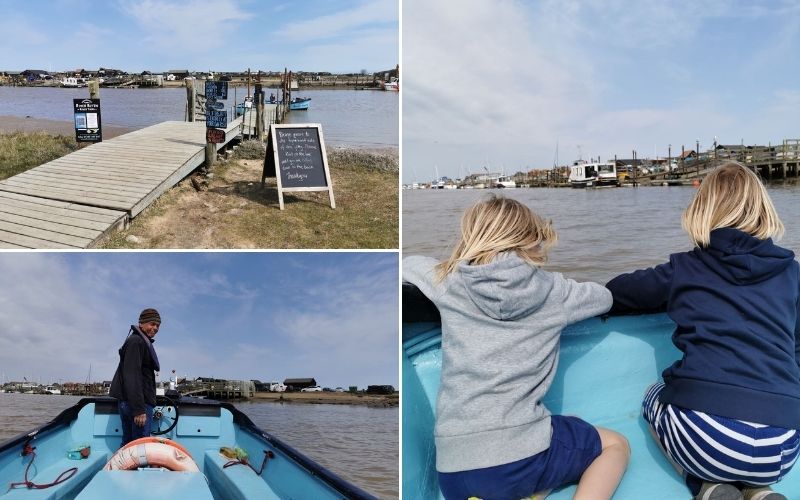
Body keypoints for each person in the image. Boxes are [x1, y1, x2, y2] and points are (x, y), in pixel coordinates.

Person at [403, 194, 630, 500]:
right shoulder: (555, 291)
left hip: (453, 474)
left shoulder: (447, 281)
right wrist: (558, 284)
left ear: (473, 237)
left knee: (566, 427)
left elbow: (407, 264)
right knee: (615, 444)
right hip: (518, 464)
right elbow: (604, 297)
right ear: (532, 241)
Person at [606, 162, 800, 500]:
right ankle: (758, 490)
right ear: (764, 211)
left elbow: (620, 291)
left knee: (652, 397)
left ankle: (705, 485)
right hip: (783, 446)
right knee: (750, 437)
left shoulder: (686, 269)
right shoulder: (793, 273)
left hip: (709, 439)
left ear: (702, 211)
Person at [110, 308, 162, 447]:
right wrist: (139, 410)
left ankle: (123, 469)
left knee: (129, 444)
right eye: (152, 324)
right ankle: (133, 469)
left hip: (132, 402)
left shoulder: (138, 341)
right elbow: (132, 376)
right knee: (139, 447)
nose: (155, 328)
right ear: (141, 323)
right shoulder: (136, 342)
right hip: (138, 404)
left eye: (158, 325)